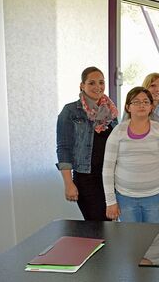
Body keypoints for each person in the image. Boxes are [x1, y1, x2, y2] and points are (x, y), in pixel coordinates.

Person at [103, 87, 159, 223]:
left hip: (155, 197)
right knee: (130, 242)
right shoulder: (118, 131)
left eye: (146, 102)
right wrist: (110, 201)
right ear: (128, 107)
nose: (141, 105)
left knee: (153, 242)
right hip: (124, 198)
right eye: (136, 102)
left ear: (151, 107)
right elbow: (107, 168)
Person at [56, 66, 118, 221]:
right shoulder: (70, 111)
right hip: (86, 178)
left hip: (111, 177)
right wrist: (68, 183)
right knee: (97, 225)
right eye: (91, 83)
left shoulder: (111, 111)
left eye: (101, 82)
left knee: (111, 226)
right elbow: (63, 148)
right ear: (82, 85)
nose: (98, 87)